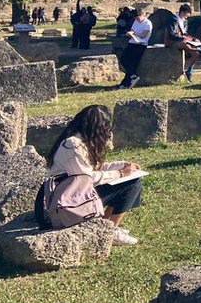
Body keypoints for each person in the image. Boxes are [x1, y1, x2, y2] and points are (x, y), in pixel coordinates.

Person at [46, 104, 144, 246]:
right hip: (68, 201)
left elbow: (93, 168)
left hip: (75, 194)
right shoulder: (73, 145)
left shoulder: (78, 140)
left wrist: (122, 165)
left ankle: (106, 225)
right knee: (131, 184)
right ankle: (110, 231)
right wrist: (120, 173)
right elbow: (88, 179)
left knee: (132, 180)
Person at [166, 4, 201, 81]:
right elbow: (172, 35)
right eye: (186, 14)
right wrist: (183, 39)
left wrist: (193, 39)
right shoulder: (172, 20)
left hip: (182, 40)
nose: (187, 17)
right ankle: (199, 49)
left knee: (195, 53)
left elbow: (185, 34)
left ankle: (189, 71)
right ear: (182, 12)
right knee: (186, 45)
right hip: (172, 42)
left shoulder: (185, 21)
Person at [118, 8, 152, 88]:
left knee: (133, 62)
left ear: (143, 15)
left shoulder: (148, 23)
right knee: (123, 59)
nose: (137, 19)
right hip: (132, 42)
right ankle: (132, 76)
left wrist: (135, 34)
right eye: (136, 18)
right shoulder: (135, 22)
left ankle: (128, 81)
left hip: (141, 44)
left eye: (138, 17)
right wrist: (130, 33)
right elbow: (132, 30)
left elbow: (144, 35)